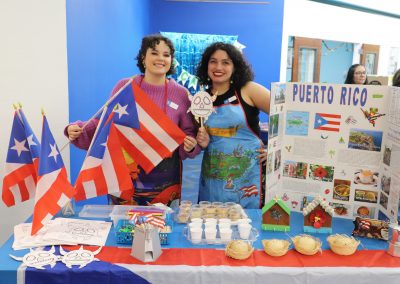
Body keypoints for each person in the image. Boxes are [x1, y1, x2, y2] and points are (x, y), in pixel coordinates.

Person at [66, 34, 207, 207]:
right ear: (143, 57)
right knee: (123, 228)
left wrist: (191, 145)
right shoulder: (125, 86)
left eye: (166, 54)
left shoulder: (181, 93)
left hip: (164, 183)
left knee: (163, 229)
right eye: (154, 53)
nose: (161, 58)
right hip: (125, 178)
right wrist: (77, 129)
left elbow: (188, 134)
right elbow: (105, 123)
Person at [195, 42, 270, 209]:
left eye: (226, 62)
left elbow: (285, 114)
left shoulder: (249, 90)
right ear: (206, 65)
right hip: (212, 181)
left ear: (235, 66)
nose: (218, 67)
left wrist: (275, 149)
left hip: (248, 179)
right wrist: (203, 142)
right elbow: (197, 141)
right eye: (213, 61)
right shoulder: (201, 99)